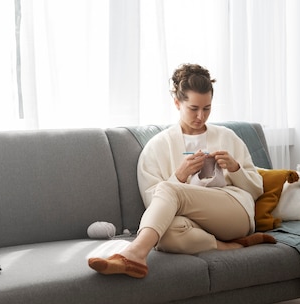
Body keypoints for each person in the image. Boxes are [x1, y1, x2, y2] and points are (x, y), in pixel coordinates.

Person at [88, 63, 274, 278]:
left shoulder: (227, 137)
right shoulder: (157, 147)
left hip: (234, 212)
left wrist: (235, 169)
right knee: (165, 234)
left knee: (168, 189)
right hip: (188, 221)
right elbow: (154, 205)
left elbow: (256, 189)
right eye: (193, 108)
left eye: (207, 108)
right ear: (177, 103)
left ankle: (134, 253)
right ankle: (229, 247)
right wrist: (181, 175)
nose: (201, 116)